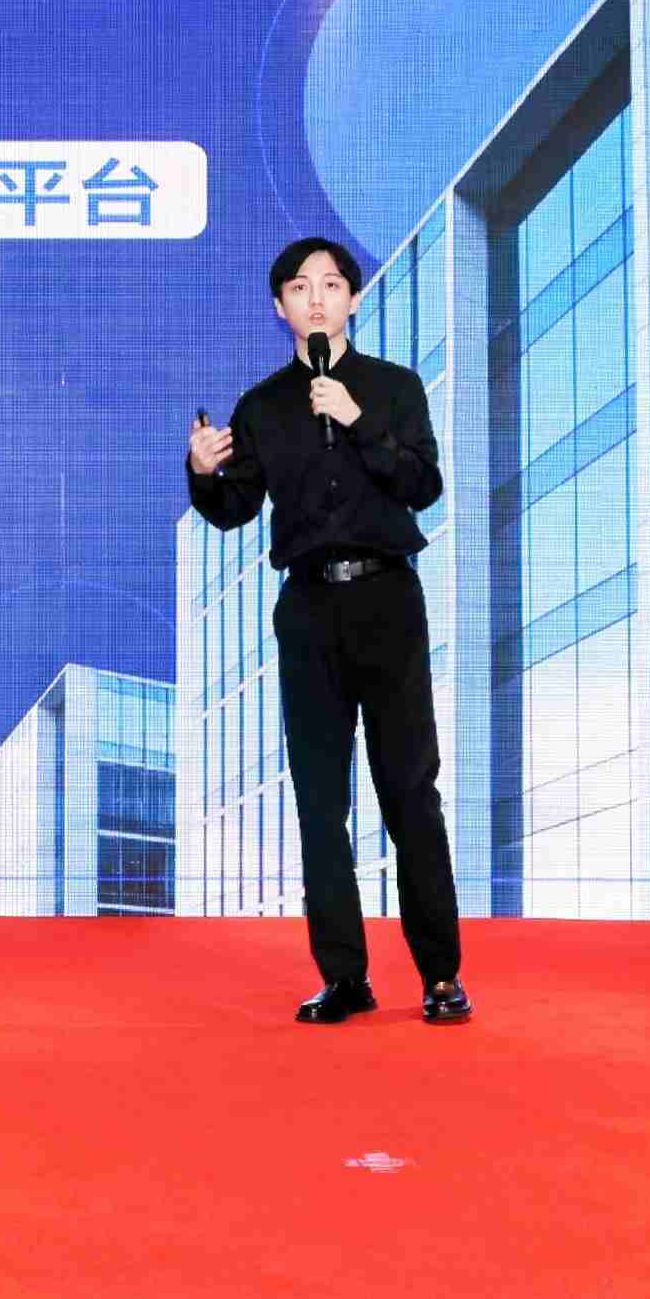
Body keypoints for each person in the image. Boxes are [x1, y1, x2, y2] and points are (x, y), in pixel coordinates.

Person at [185, 235, 470, 1026]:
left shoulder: (392, 387)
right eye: (300, 288)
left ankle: (440, 974)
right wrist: (204, 473)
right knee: (319, 801)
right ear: (278, 306)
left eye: (332, 284)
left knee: (409, 789)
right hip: (308, 610)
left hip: (387, 601)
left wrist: (356, 420)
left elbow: (422, 484)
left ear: (352, 297)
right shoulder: (261, 405)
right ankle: (345, 977)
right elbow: (234, 509)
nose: (316, 298)